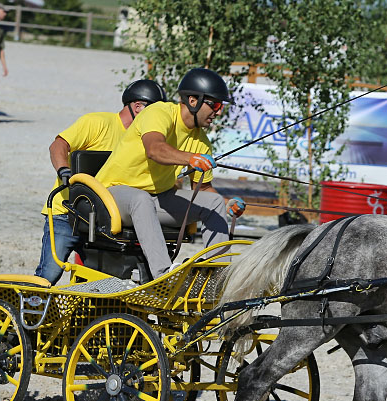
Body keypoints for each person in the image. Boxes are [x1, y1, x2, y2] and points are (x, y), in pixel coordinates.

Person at [96, 68, 246, 279]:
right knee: (141, 198)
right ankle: (164, 275)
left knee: (214, 203)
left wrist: (228, 203)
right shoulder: (159, 112)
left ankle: (218, 275)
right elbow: (155, 149)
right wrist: (190, 158)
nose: (219, 112)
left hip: (156, 199)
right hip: (112, 195)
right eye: (215, 105)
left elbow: (202, 189)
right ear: (193, 100)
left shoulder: (201, 141)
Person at [35, 80, 167, 284]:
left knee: (102, 280)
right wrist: (64, 171)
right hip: (67, 214)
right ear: (138, 107)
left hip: (104, 222)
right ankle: (30, 310)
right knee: (49, 274)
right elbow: (58, 145)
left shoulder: (146, 140)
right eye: (156, 112)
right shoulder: (97, 123)